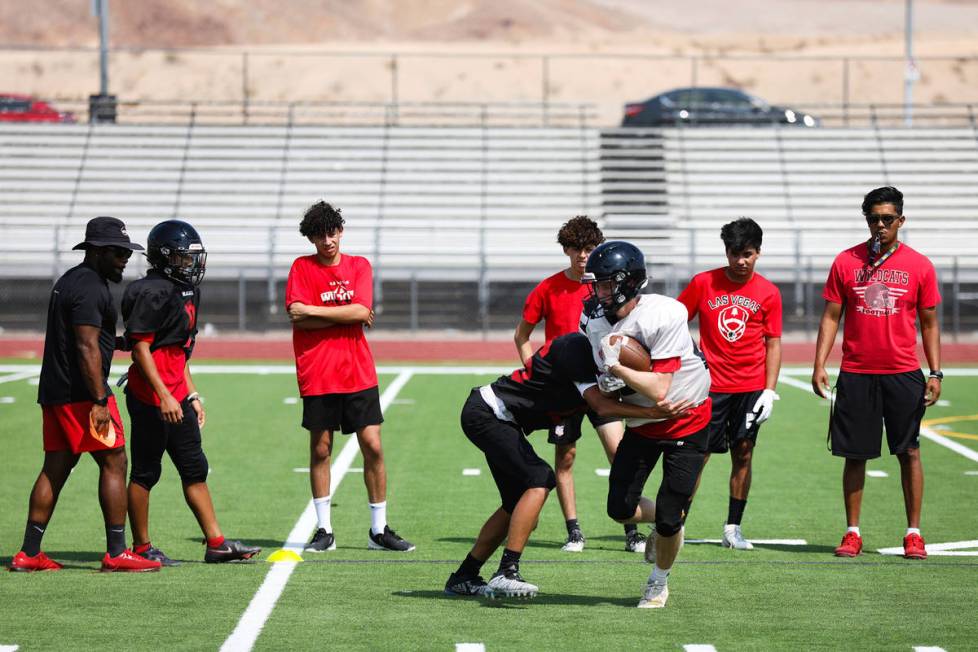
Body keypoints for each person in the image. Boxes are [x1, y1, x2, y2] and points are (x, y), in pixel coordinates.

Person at [445, 333, 691, 599]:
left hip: (501, 419)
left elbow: (614, 400)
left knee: (516, 504)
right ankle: (507, 570)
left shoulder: (596, 362)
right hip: (488, 412)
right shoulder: (575, 348)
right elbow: (600, 405)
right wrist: (654, 413)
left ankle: (464, 576)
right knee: (540, 478)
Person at [10, 216, 161, 573]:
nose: (125, 258)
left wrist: (120, 343)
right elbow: (85, 345)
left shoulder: (71, 280)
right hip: (82, 394)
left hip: (56, 392)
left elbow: (86, 339)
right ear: (96, 251)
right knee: (115, 460)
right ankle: (116, 552)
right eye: (118, 252)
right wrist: (98, 400)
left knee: (56, 467)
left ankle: (29, 553)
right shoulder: (92, 287)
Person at [580, 240, 712, 609]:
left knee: (670, 519)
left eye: (606, 284)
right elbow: (607, 379)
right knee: (620, 508)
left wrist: (618, 366)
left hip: (686, 418)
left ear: (627, 282)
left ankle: (659, 580)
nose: (598, 291)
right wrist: (610, 378)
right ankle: (669, 523)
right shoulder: (593, 319)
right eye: (598, 284)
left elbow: (660, 388)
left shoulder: (665, 313)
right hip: (642, 422)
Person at [812, 186, 941, 560]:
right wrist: (819, 364)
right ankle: (852, 532)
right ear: (866, 219)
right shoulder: (845, 261)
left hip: (903, 372)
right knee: (856, 455)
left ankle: (913, 533)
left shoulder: (920, 265)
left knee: (910, 452)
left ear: (901, 220)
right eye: (874, 219)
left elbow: (929, 324)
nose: (880, 225)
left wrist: (936, 372)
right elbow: (831, 316)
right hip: (856, 372)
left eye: (887, 219)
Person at [123, 220, 261, 564]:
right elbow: (140, 349)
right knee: (145, 472)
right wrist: (164, 395)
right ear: (166, 257)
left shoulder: (187, 290)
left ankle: (216, 543)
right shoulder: (151, 291)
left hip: (174, 394)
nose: (192, 263)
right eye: (186, 257)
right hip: (150, 396)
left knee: (194, 468)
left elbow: (178, 350)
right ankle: (141, 547)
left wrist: (190, 393)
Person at [286, 201, 414, 553]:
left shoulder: (359, 265)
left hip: (357, 371)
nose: (327, 241)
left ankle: (378, 529)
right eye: (319, 235)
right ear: (310, 238)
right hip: (317, 372)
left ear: (340, 231)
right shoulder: (301, 267)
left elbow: (360, 309)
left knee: (373, 445)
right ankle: (324, 530)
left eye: (332, 232)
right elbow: (299, 317)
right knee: (321, 448)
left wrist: (318, 310)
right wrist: (347, 315)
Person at [514, 215, 644, 553]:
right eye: (575, 249)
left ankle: (631, 528)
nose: (582, 255)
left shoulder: (608, 286)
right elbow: (522, 335)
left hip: (604, 383)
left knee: (619, 454)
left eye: (588, 248)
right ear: (565, 250)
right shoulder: (548, 287)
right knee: (566, 458)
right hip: (563, 388)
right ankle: (574, 532)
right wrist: (535, 372)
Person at [677, 217, 782, 550]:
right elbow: (676, 322)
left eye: (747, 254)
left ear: (758, 253)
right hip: (709, 388)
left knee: (744, 454)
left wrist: (769, 389)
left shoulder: (769, 292)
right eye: (735, 253)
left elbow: (773, 342)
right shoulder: (703, 283)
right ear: (726, 251)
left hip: (750, 388)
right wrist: (691, 358)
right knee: (698, 456)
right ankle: (676, 524)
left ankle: (733, 528)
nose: (741, 261)